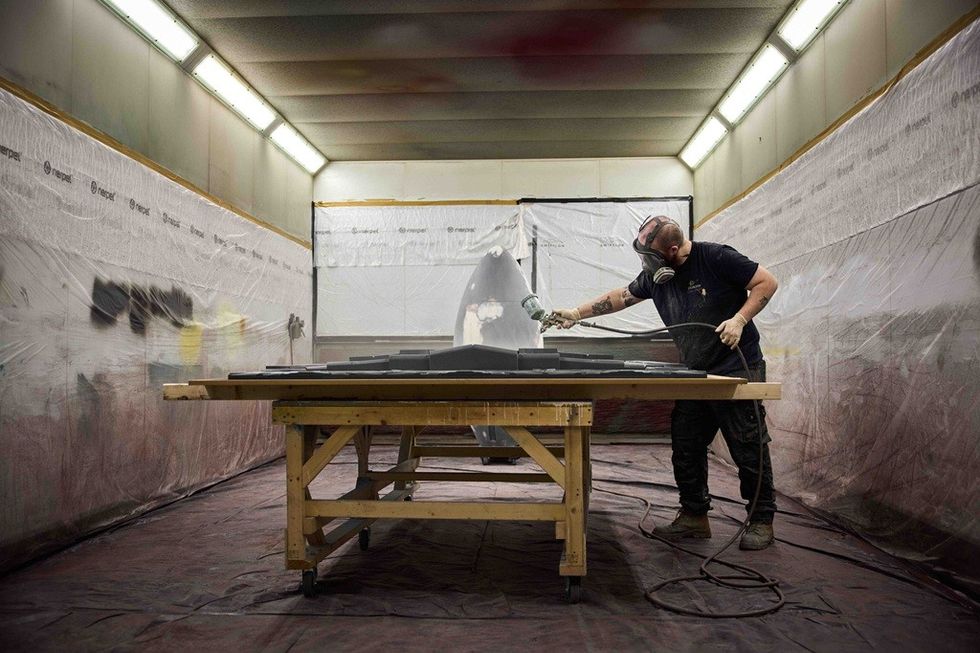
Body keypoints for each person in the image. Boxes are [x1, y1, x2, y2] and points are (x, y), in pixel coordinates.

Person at [552, 215, 779, 550]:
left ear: (672, 251)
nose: (647, 265)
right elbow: (621, 296)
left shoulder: (716, 258)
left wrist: (739, 319)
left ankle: (761, 520)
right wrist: (576, 313)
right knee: (686, 441)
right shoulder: (656, 279)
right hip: (695, 370)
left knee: (747, 445)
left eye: (652, 258)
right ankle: (694, 516)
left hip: (735, 367)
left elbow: (766, 282)